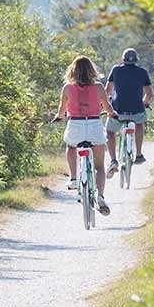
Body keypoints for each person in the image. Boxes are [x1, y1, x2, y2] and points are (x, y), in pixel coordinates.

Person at [53, 55, 112, 216]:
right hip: (94, 125)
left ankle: (73, 178)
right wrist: (113, 114)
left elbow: (62, 110)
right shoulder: (99, 87)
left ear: (73, 71)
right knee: (99, 166)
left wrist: (58, 117)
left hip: (76, 125)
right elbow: (107, 107)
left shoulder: (67, 87)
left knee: (71, 146)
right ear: (91, 70)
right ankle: (100, 197)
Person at [104, 47, 152, 171]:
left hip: (118, 111)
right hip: (136, 110)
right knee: (140, 124)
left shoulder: (116, 70)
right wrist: (144, 103)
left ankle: (113, 160)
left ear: (123, 59)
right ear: (136, 60)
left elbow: (108, 90)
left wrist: (107, 101)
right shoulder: (143, 72)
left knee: (110, 131)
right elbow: (149, 93)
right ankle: (139, 154)